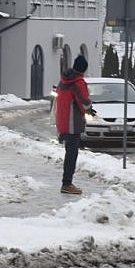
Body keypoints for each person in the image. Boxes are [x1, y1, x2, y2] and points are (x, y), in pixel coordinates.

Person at [55, 55, 94, 195]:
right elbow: (84, 102)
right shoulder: (78, 83)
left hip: (63, 121)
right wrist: (90, 106)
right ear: (84, 69)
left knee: (69, 152)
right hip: (73, 122)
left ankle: (67, 182)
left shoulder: (64, 80)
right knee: (72, 153)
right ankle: (67, 183)